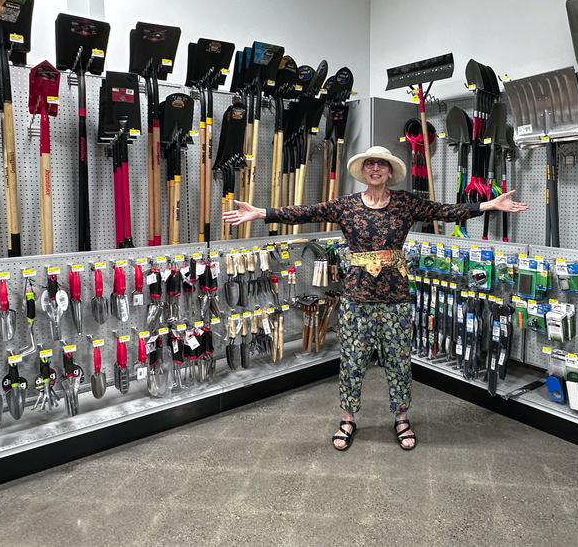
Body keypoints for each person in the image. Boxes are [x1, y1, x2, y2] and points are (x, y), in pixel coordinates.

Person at [223, 145, 528, 451]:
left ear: (390, 171)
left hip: (395, 298)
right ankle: (347, 418)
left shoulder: (407, 203)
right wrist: (262, 212)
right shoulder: (346, 205)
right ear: (363, 172)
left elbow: (445, 211)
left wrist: (488, 205)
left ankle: (401, 418)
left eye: (381, 164)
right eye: (369, 164)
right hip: (356, 298)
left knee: (399, 360)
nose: (375, 169)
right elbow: (306, 212)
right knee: (352, 360)